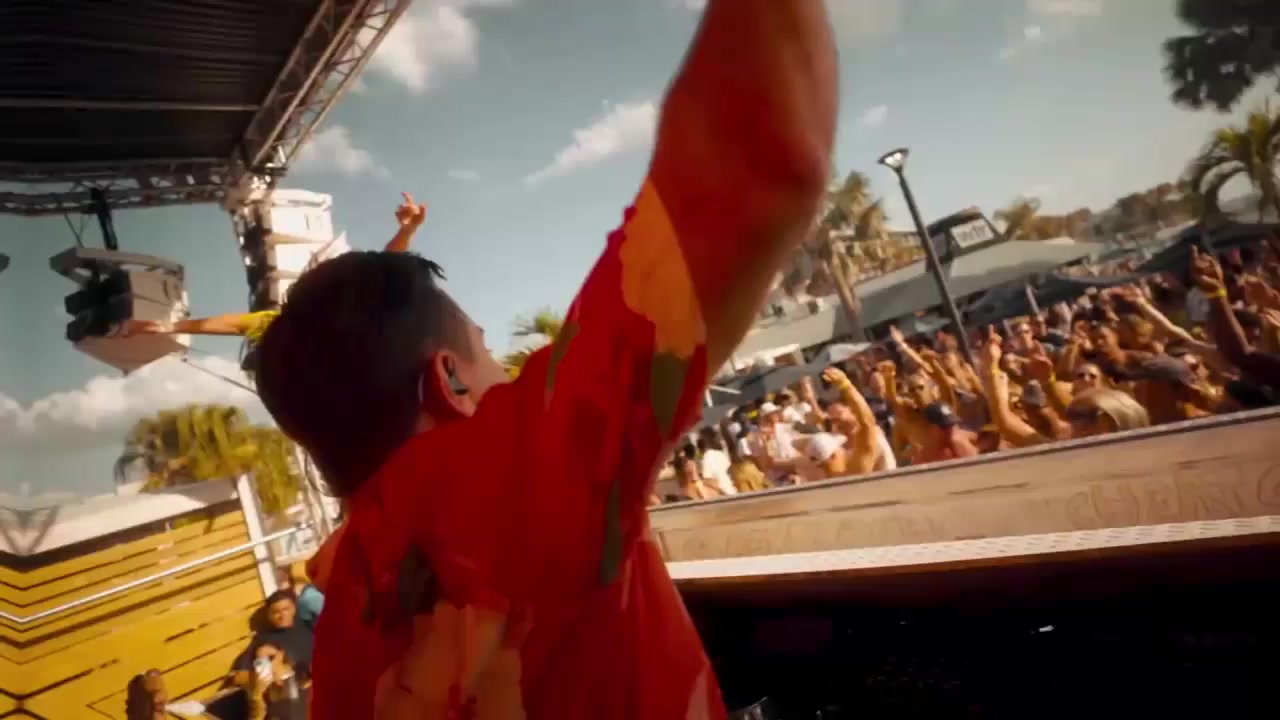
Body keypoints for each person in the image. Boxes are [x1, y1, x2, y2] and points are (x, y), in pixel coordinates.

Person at [255, 2, 837, 718]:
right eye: (486, 352)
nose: (511, 373)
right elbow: (760, 163)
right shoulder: (515, 473)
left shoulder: (342, 632)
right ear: (449, 380)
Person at [118, 192, 428, 344]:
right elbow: (233, 323)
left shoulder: (363, 308)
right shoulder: (296, 321)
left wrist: (406, 231)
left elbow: (385, 265)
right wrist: (169, 326)